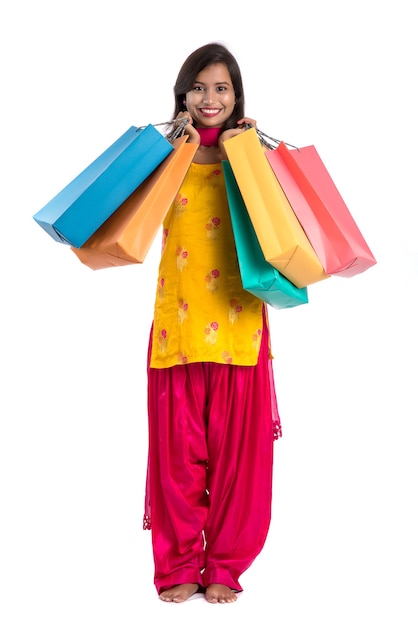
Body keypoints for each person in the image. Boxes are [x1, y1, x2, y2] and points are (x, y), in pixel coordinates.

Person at [143, 42, 281, 604]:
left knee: (239, 459)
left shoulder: (250, 155)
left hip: (239, 322)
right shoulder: (163, 156)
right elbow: (127, 215)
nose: (209, 98)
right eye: (198, 87)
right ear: (182, 95)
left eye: (221, 87)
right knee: (177, 454)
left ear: (236, 96)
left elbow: (281, 225)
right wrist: (164, 145)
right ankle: (177, 564)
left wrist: (247, 152)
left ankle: (224, 565)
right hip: (178, 322)